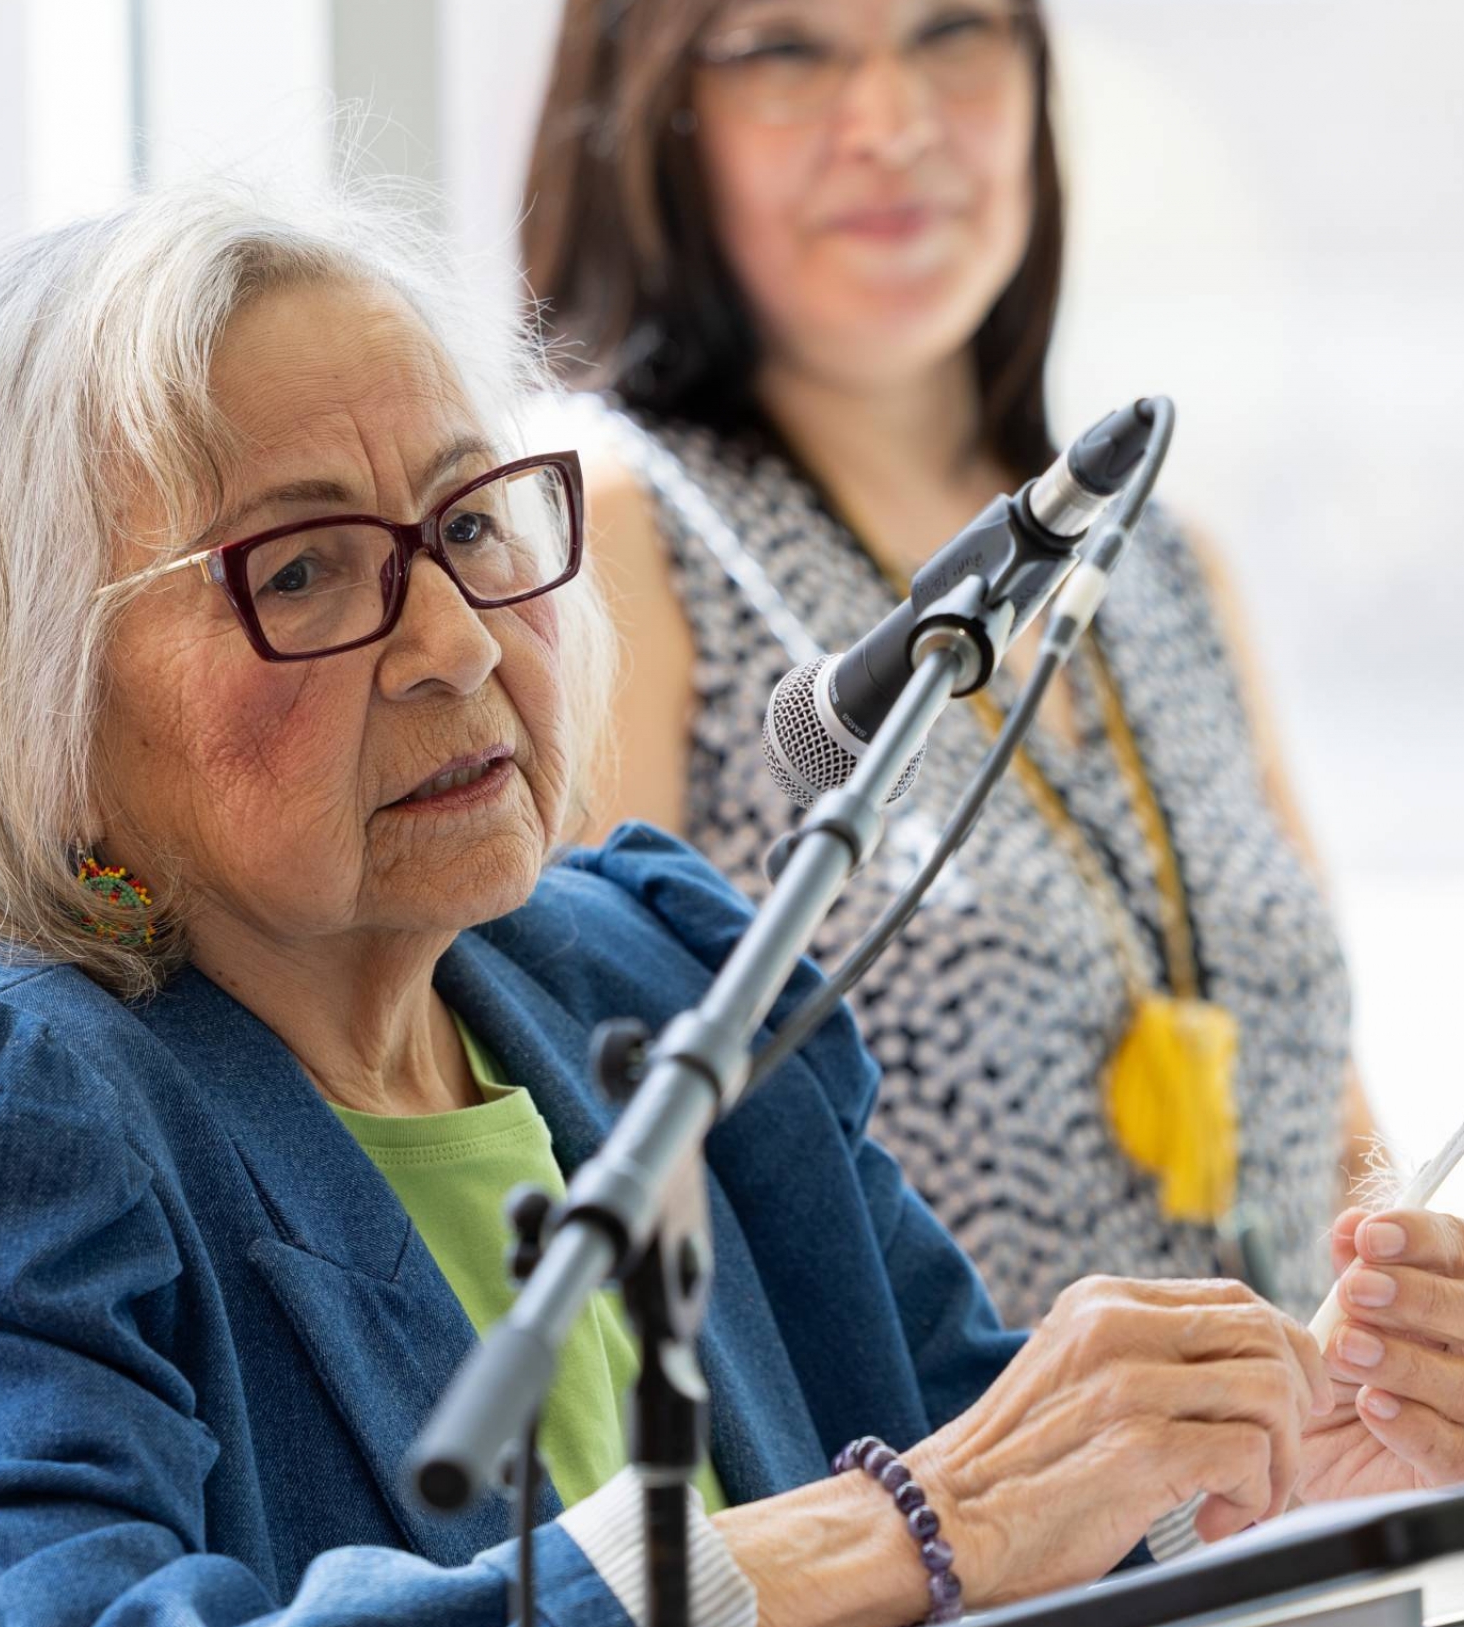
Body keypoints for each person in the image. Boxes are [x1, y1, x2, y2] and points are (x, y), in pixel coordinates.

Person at [0, 180, 1464, 1627]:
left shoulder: (652, 979)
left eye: (470, 522)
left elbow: (1001, 1511)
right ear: (31, 689)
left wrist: (1264, 1486)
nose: (449, 644)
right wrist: (899, 1533)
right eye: (304, 569)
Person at [526, 0, 1378, 1320]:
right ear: (647, 115)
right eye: (789, 51)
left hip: (1290, 1508)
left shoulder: (1166, 568)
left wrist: (1435, 1335)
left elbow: (1344, 1143)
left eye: (953, 32)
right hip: (936, 1513)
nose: (893, 125)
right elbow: (587, 1168)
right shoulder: (609, 531)